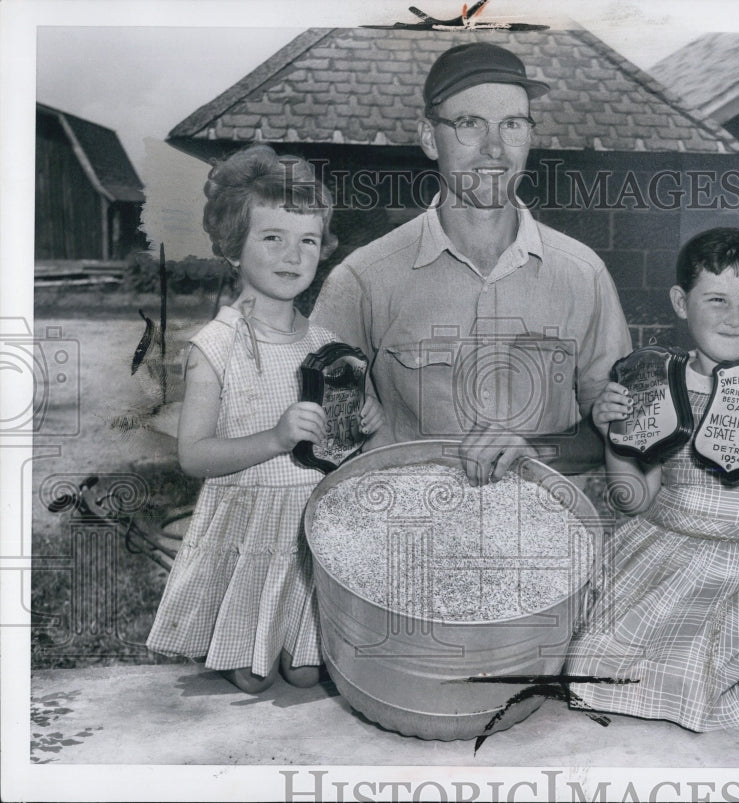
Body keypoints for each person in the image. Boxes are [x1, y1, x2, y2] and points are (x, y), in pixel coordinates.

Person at [311, 42, 632, 485]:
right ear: (429, 137)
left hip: (540, 539)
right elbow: (319, 436)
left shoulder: (584, 274)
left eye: (512, 125)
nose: (495, 149)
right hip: (407, 535)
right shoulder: (362, 279)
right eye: (469, 125)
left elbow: (620, 432)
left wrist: (532, 451)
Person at [566, 227, 739, 730]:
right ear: (681, 302)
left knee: (688, 668)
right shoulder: (652, 380)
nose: (735, 319)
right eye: (716, 299)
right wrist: (612, 434)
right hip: (663, 550)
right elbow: (635, 502)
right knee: (591, 660)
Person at [146, 145, 383, 693]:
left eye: (307, 240)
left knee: (304, 674)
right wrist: (275, 437)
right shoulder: (217, 345)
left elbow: (338, 446)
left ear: (323, 250)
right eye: (271, 237)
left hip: (310, 523)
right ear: (233, 247)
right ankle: (236, 640)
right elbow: (194, 454)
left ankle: (293, 640)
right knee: (253, 678)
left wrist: (364, 422)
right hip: (248, 521)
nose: (292, 255)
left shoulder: (327, 344)